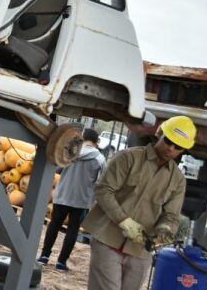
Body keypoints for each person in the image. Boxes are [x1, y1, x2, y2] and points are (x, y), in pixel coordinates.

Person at [83, 115, 195, 290]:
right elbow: (103, 190)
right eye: (168, 141)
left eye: (178, 147)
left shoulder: (178, 180)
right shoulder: (128, 158)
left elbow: (171, 215)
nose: (171, 148)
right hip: (108, 240)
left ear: (183, 151)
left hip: (141, 251)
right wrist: (124, 221)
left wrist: (165, 229)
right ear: (160, 134)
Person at [38, 127, 104, 270]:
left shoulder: (71, 151)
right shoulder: (100, 159)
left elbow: (57, 169)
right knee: (72, 230)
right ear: (96, 141)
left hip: (62, 195)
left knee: (54, 225)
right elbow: (101, 183)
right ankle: (61, 262)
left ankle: (44, 256)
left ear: (83, 137)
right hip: (82, 201)